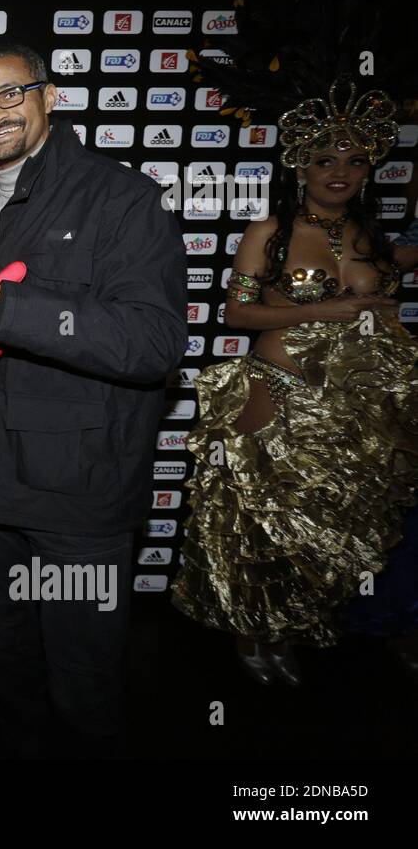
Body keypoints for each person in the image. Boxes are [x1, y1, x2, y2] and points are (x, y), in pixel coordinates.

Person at [0, 43, 187, 757]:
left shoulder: (120, 196)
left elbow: (153, 342)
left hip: (76, 495)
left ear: (50, 96)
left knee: (82, 676)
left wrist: (2, 303)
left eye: (9, 94)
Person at [171, 78, 418, 686]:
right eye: (325, 158)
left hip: (354, 408)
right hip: (278, 390)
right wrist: (320, 311)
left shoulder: (377, 240)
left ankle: (312, 623)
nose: (340, 171)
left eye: (355, 159)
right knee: (264, 515)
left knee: (333, 525)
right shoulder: (269, 232)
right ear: (300, 165)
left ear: (370, 169)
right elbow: (238, 314)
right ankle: (254, 631)